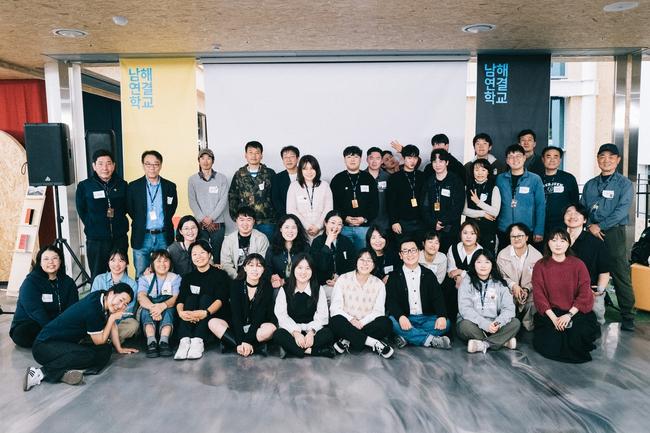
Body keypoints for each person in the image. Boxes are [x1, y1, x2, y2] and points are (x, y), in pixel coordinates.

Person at [24, 283, 137, 392]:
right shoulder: (93, 308)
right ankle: (40, 373)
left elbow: (113, 326)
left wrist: (119, 348)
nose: (121, 306)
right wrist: (112, 319)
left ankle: (65, 372)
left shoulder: (103, 297)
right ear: (111, 293)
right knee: (88, 355)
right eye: (121, 300)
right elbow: (99, 341)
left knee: (105, 350)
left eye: (125, 304)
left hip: (68, 343)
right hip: (44, 346)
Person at [580, 143, 635, 331]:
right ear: (597, 159)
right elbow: (582, 208)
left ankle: (628, 315)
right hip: (591, 232)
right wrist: (589, 225)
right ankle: (588, 310)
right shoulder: (590, 184)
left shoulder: (624, 184)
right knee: (589, 270)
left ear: (618, 160)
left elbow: (621, 211)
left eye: (611, 157)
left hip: (613, 232)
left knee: (619, 272)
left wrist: (600, 226)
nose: (606, 160)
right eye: (602, 156)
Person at [532, 228, 601, 363]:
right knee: (551, 342)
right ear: (548, 243)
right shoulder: (540, 265)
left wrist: (569, 315)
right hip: (551, 312)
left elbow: (585, 293)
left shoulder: (578, 264)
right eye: (554, 240)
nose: (558, 244)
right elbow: (539, 295)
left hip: (575, 311)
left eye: (562, 241)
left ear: (568, 243)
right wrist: (554, 319)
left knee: (576, 335)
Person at [385, 238, 451, 349]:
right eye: (405, 251)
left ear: (419, 252)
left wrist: (442, 315)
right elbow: (391, 301)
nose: (410, 254)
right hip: (406, 318)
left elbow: (438, 297)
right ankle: (430, 340)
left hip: (426, 318)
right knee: (391, 321)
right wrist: (400, 316)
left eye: (413, 250)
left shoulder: (428, 274)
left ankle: (407, 337)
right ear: (400, 255)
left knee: (446, 323)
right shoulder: (394, 276)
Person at [329, 248, 394, 358]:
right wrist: (351, 320)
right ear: (356, 262)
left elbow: (378, 312)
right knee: (335, 321)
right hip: (346, 323)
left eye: (369, 260)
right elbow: (335, 308)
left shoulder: (379, 284)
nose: (365, 263)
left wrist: (362, 322)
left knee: (386, 323)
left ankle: (347, 339)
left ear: (374, 264)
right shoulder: (343, 279)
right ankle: (373, 343)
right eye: (362, 260)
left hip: (367, 325)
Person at [208, 254, 276, 357]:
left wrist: (247, 340)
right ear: (245, 268)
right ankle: (254, 347)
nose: (255, 269)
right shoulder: (236, 285)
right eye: (251, 265)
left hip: (256, 326)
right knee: (212, 322)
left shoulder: (266, 286)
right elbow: (236, 315)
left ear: (263, 269)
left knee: (271, 328)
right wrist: (241, 341)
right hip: (236, 326)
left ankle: (232, 344)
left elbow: (260, 315)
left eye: (259, 266)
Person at [10, 245, 79, 348]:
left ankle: (56, 339)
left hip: (59, 323)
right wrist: (54, 329)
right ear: (40, 262)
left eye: (55, 258)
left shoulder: (68, 282)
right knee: (26, 333)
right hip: (32, 323)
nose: (51, 262)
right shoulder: (30, 282)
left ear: (60, 261)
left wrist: (66, 324)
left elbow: (73, 308)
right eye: (46, 259)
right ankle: (59, 339)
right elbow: (35, 311)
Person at [75, 149, 129, 279]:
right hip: (96, 240)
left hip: (119, 239)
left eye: (108, 163)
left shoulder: (122, 185)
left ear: (114, 165)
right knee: (97, 275)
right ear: (94, 166)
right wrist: (93, 224)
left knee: (120, 275)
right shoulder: (85, 186)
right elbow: (82, 210)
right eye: (100, 163)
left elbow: (127, 207)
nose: (105, 168)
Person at [174, 240, 230, 360]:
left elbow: (221, 299)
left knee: (205, 298)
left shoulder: (220, 275)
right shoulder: (188, 277)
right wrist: (181, 313)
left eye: (202, 253)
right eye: (194, 254)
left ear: (209, 255)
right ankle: (184, 340)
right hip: (191, 315)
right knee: (190, 299)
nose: (198, 257)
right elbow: (181, 299)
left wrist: (205, 313)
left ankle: (198, 341)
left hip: (212, 314)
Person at [273, 253, 336, 358]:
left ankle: (294, 350)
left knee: (328, 333)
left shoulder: (318, 289)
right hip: (292, 331)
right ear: (294, 269)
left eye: (307, 268)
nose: (303, 272)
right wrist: (296, 333)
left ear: (312, 271)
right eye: (300, 268)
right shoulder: (285, 289)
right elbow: (282, 315)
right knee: (278, 334)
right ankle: (315, 351)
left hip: (311, 330)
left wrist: (311, 333)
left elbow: (322, 315)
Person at [457, 250, 521, 353]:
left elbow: (509, 309)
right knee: (464, 326)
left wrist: (497, 323)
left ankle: (484, 344)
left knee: (515, 323)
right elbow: (465, 309)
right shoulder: (466, 282)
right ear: (473, 264)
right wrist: (485, 324)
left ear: (492, 264)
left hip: (495, 325)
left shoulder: (500, 283)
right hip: (475, 325)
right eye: (479, 262)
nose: (483, 266)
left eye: (487, 262)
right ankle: (502, 341)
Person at [127, 150, 178, 277]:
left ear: (160, 165)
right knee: (141, 273)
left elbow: (171, 209)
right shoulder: (133, 187)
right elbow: (130, 209)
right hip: (142, 235)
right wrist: (141, 221)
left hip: (163, 235)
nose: (152, 167)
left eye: (156, 164)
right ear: (143, 165)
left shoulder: (170, 186)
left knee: (166, 271)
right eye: (148, 164)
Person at [564, 204, 610, 325]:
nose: (572, 216)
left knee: (592, 323)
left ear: (585, 220)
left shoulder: (596, 243)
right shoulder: (555, 240)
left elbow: (604, 272)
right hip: (562, 291)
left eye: (577, 213)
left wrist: (599, 291)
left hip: (589, 292)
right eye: (569, 212)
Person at [496, 144, 545, 250]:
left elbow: (540, 206)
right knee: (504, 257)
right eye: (511, 157)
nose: (515, 160)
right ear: (507, 160)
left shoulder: (535, 179)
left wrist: (539, 230)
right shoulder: (500, 179)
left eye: (518, 156)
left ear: (524, 158)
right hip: (504, 229)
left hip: (527, 229)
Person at [330, 145, 379, 252]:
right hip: (343, 228)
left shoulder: (368, 178)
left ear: (360, 159)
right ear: (344, 159)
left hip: (364, 228)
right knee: (344, 256)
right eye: (349, 157)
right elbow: (333, 204)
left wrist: (364, 219)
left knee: (365, 255)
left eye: (356, 157)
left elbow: (375, 204)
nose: (352, 160)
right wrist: (344, 217)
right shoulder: (337, 179)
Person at [496, 223, 543, 331]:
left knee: (536, 299)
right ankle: (508, 327)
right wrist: (513, 286)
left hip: (529, 292)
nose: (516, 239)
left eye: (520, 236)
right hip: (509, 291)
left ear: (526, 237)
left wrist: (526, 289)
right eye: (513, 236)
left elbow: (538, 279)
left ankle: (528, 326)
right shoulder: (502, 255)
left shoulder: (537, 256)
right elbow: (500, 276)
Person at [228, 140, 277, 240]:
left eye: (257, 153)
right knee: (248, 247)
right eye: (250, 152)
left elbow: (276, 196)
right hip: (246, 221)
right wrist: (236, 217)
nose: (254, 156)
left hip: (267, 221)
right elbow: (232, 195)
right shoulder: (239, 174)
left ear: (261, 155)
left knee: (268, 246)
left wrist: (275, 215)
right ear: (245, 155)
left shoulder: (269, 173)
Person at [137, 249, 181, 358]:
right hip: (150, 307)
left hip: (167, 306)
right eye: (158, 261)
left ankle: (164, 341)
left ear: (170, 263)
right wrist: (154, 308)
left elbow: (175, 298)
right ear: (152, 264)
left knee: (169, 310)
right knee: (145, 310)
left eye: (165, 261)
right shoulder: (145, 279)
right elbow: (141, 297)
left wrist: (162, 306)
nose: (162, 264)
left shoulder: (175, 278)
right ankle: (151, 341)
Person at [187, 148, 228, 263]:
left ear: (213, 160)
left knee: (218, 255)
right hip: (200, 224)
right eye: (202, 158)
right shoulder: (192, 180)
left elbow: (223, 200)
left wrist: (211, 218)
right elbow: (192, 201)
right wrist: (203, 219)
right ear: (198, 161)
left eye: (209, 158)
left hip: (217, 224)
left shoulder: (221, 178)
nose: (205, 161)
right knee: (201, 254)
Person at [421, 148, 465, 253]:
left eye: (441, 161)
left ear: (447, 162)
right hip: (432, 228)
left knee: (449, 256)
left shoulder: (455, 180)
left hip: (451, 228)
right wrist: (433, 223)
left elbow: (458, 206)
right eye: (434, 161)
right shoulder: (429, 181)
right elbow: (424, 206)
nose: (437, 165)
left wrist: (443, 222)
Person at [89, 248, 139, 343]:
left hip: (120, 322)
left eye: (121, 261)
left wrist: (112, 319)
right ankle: (111, 340)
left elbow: (128, 310)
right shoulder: (99, 279)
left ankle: (104, 339)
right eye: (113, 260)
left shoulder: (132, 284)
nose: (117, 264)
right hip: (100, 320)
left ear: (127, 263)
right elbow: (93, 303)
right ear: (108, 263)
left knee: (133, 324)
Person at [310, 210, 356, 300]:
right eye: (333, 223)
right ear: (325, 223)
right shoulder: (317, 242)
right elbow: (320, 266)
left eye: (339, 224)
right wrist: (327, 243)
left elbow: (352, 265)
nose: (336, 227)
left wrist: (340, 279)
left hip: (343, 283)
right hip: (323, 284)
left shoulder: (346, 241)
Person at [286, 154, 333, 241]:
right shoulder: (294, 186)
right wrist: (307, 226)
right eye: (305, 169)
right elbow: (291, 210)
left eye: (312, 168)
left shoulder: (325, 185)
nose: (309, 172)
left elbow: (328, 209)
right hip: (301, 231)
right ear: (300, 170)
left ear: (316, 169)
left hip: (322, 231)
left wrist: (318, 226)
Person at [445, 221, 483, 323]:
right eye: (465, 233)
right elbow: (451, 271)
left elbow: (480, 274)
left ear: (477, 236)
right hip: (454, 284)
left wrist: (461, 273)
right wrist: (458, 277)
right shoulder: (453, 248)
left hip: (473, 284)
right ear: (460, 234)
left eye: (472, 233)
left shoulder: (481, 252)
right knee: (448, 286)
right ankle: (449, 320)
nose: (468, 236)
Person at [386, 144, 425, 240]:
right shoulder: (395, 178)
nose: (412, 161)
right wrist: (394, 221)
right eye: (409, 158)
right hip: (402, 222)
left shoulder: (422, 176)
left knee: (420, 247)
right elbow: (391, 202)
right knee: (404, 246)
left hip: (421, 221)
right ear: (403, 158)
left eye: (415, 158)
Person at [463, 158, 501, 254]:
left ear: (488, 172)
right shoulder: (467, 187)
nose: (480, 173)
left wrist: (478, 202)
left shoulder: (494, 188)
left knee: (487, 256)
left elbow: (495, 212)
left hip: (488, 230)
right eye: (476, 170)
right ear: (472, 172)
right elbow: (464, 210)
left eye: (483, 170)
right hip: (471, 230)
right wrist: (483, 214)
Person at [221, 206, 270, 280]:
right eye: (241, 220)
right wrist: (237, 277)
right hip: (235, 277)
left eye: (249, 220)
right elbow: (226, 264)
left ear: (253, 221)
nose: (245, 223)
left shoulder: (261, 238)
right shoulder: (229, 240)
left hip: (256, 277)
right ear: (236, 221)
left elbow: (263, 262)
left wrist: (251, 278)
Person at [266, 214, 310, 293]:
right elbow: (267, 269)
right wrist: (272, 277)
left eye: (294, 227)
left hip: (300, 284)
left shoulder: (305, 247)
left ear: (298, 230)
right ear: (280, 229)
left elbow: (309, 271)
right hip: (278, 287)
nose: (290, 231)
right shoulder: (272, 248)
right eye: (286, 227)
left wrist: (284, 281)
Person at [540, 146, 579, 235]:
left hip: (563, 224)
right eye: (548, 156)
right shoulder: (536, 178)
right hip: (541, 225)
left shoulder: (569, 178)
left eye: (556, 157)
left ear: (560, 160)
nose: (552, 160)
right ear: (543, 159)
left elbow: (575, 202)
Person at [271, 145, 300, 218]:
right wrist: (287, 217)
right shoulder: (277, 178)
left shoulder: (306, 175)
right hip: (284, 217)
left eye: (292, 157)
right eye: (285, 157)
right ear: (282, 160)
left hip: (304, 215)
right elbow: (276, 200)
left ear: (297, 158)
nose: (288, 160)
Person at [365, 146, 390, 230]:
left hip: (384, 222)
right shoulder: (361, 177)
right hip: (365, 223)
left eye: (378, 158)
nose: (374, 161)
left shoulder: (388, 177)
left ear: (382, 161)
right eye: (371, 158)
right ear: (367, 160)